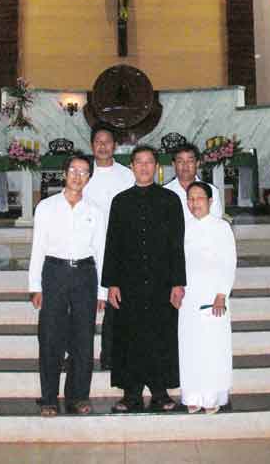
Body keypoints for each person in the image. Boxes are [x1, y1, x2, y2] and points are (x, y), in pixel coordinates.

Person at [102, 144, 186, 412]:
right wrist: (112, 283)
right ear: (132, 167)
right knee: (130, 337)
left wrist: (178, 282)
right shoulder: (120, 201)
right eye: (139, 162)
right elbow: (112, 244)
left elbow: (177, 245)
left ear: (157, 167)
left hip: (162, 281)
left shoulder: (170, 200)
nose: (144, 166)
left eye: (149, 162)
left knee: (160, 335)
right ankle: (131, 394)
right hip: (129, 282)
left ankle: (160, 392)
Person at [28, 152, 107, 416]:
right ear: (64, 174)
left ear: (89, 178)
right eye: (73, 170)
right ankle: (49, 398)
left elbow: (101, 251)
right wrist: (35, 286)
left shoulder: (95, 211)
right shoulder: (46, 207)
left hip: (85, 274)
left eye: (83, 172)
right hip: (55, 272)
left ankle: (78, 396)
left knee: (83, 339)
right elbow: (38, 247)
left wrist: (102, 291)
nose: (77, 176)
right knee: (51, 337)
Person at [178, 181, 237, 415]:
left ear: (210, 201)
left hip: (214, 296)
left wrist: (222, 293)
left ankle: (212, 396)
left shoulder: (221, 227)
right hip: (189, 297)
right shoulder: (184, 227)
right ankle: (192, 395)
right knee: (190, 346)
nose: (194, 203)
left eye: (199, 198)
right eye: (190, 199)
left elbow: (229, 262)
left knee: (213, 347)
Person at [83, 123, 135, 369]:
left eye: (107, 142)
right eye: (98, 142)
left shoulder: (127, 175)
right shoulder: (83, 174)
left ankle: (111, 356)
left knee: (116, 305)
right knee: (83, 306)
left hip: (119, 249)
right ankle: (78, 355)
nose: (102, 146)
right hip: (87, 249)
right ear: (92, 145)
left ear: (115, 145)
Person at [164, 143, 223, 223]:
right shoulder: (164, 192)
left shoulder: (212, 191)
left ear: (197, 163)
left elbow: (216, 222)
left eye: (190, 161)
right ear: (174, 164)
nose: (185, 165)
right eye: (180, 161)